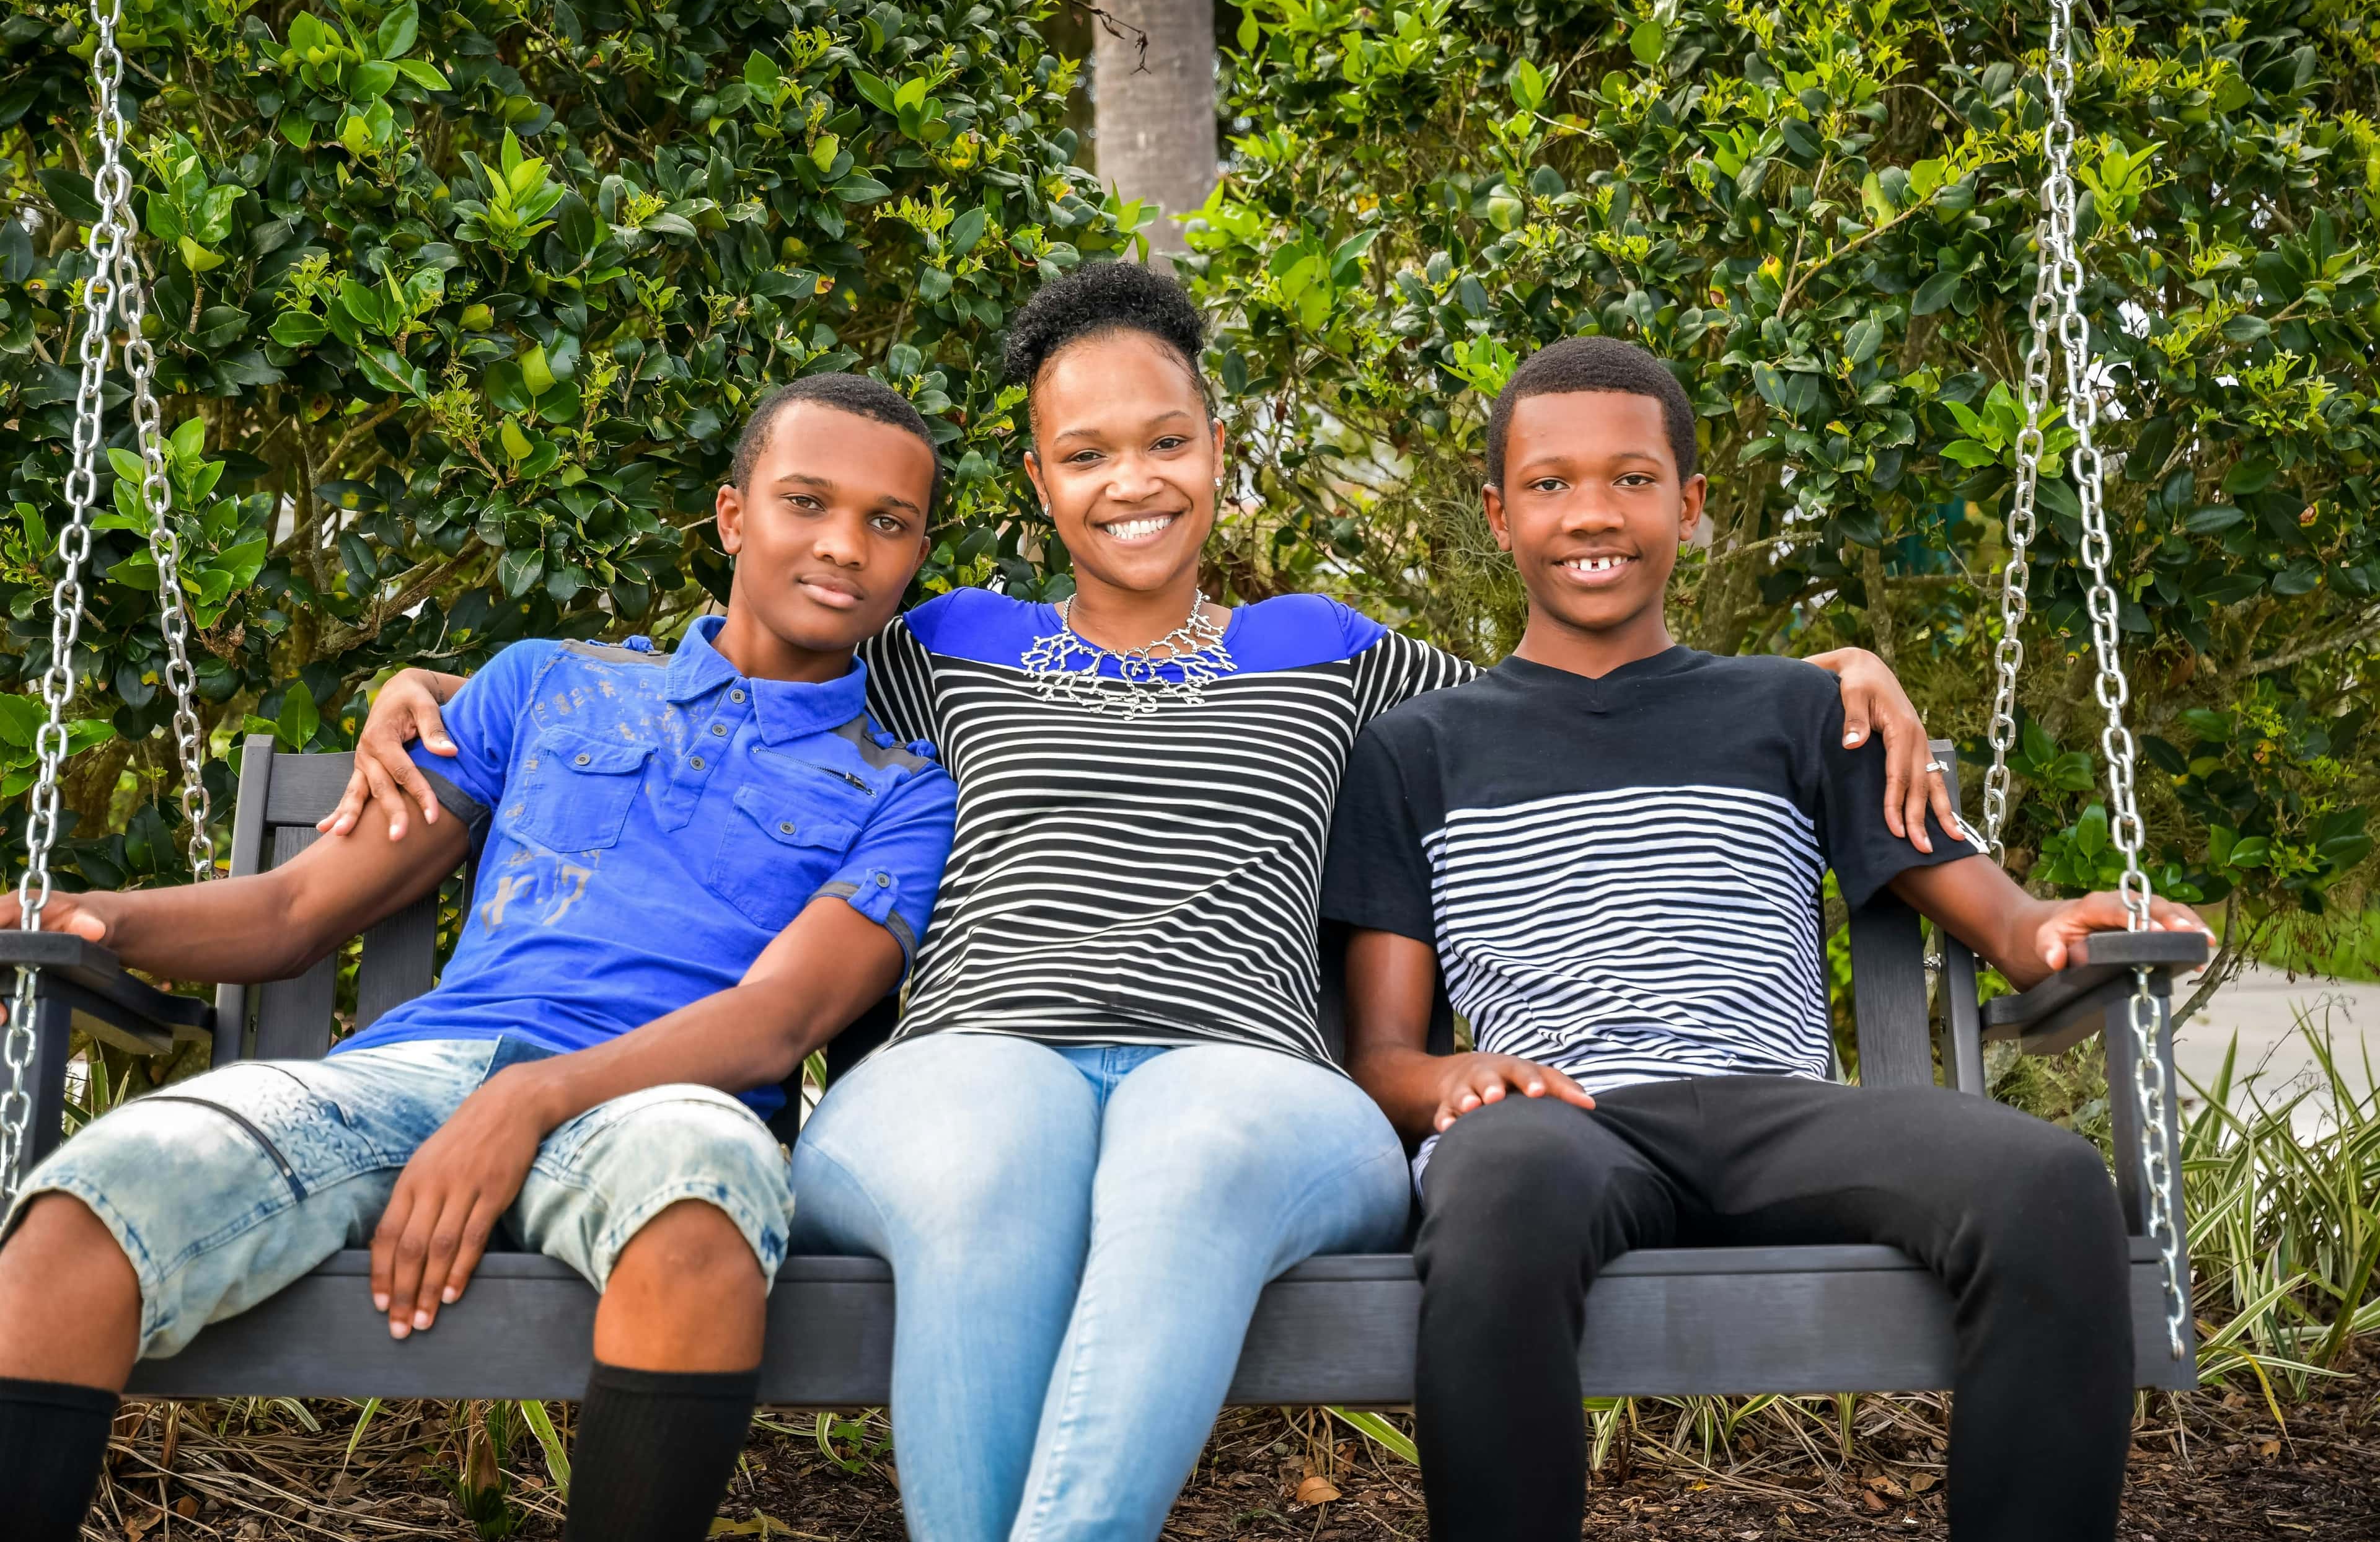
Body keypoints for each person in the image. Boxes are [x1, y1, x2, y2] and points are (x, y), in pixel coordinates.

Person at [333, 265, 1956, 1542]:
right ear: (1040, 480)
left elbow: (1576, 701)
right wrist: (437, 690)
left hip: (1254, 1080)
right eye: (1088, 452)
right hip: (970, 1057)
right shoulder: (946, 640)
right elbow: (752, 657)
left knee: (1187, 1154)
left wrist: (1827, 677)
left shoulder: (1328, 647)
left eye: (1165, 442)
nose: (1134, 481)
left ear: (1217, 455)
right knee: (993, 1154)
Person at [0, 374, 958, 1542]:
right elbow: (300, 908)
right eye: (806, 501)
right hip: (410, 1079)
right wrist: (96, 911)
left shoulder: (905, 789)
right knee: (97, 1200)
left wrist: (533, 1097)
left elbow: (779, 1019)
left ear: (914, 554)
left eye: (888, 522)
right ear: (731, 515)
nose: (844, 546)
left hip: (664, 1102)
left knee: (704, 1203)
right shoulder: (550, 686)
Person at [1320, 337, 2215, 1542]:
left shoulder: (1799, 706)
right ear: (1497, 513)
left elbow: (1986, 909)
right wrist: (1447, 1076)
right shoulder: (1416, 749)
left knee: (2049, 1180)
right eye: (1549, 483)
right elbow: (1382, 1049)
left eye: (1634, 479)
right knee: (1499, 1188)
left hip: (1775, 1109)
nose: (1593, 511)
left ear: (1691, 505)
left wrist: (2047, 923)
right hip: (1565, 1116)